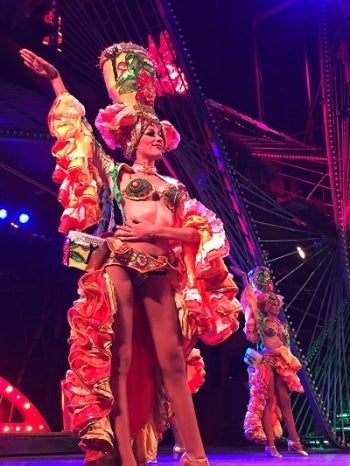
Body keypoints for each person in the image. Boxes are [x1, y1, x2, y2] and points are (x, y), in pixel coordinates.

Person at [19, 43, 242, 466]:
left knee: (172, 360)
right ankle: (122, 455)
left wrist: (159, 229)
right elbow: (81, 133)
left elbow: (201, 232)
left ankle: (196, 456)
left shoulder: (175, 189)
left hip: (159, 267)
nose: (157, 137)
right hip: (120, 261)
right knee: (118, 358)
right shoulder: (116, 173)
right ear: (132, 138)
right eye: (150, 133)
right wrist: (55, 81)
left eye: (160, 133)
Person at [238, 266, 308, 458]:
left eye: (277, 304)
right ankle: (271, 445)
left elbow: (284, 345)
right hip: (265, 363)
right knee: (268, 402)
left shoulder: (280, 324)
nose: (276, 307)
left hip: (280, 363)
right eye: (272, 304)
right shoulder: (261, 321)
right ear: (265, 306)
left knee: (285, 401)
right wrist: (245, 278)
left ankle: (295, 441)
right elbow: (251, 300)